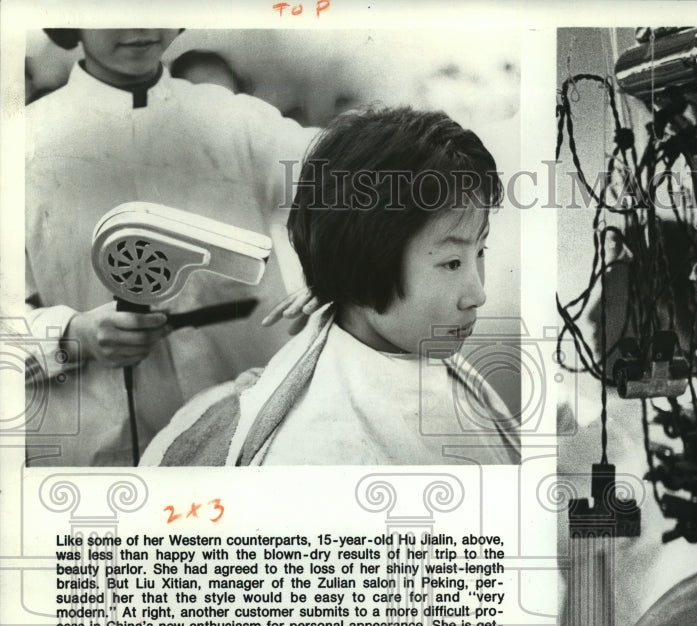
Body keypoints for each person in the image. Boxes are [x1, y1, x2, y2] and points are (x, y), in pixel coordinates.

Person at [140, 107, 519, 467]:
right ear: (367, 263)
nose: (478, 294)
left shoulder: (412, 342)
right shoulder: (324, 449)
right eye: (451, 263)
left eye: (480, 251)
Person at [25, 28, 316, 466]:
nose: (139, 25)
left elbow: (360, 178)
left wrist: (339, 274)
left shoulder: (237, 121)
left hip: (247, 434)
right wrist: (71, 334)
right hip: (99, 455)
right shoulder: (21, 145)